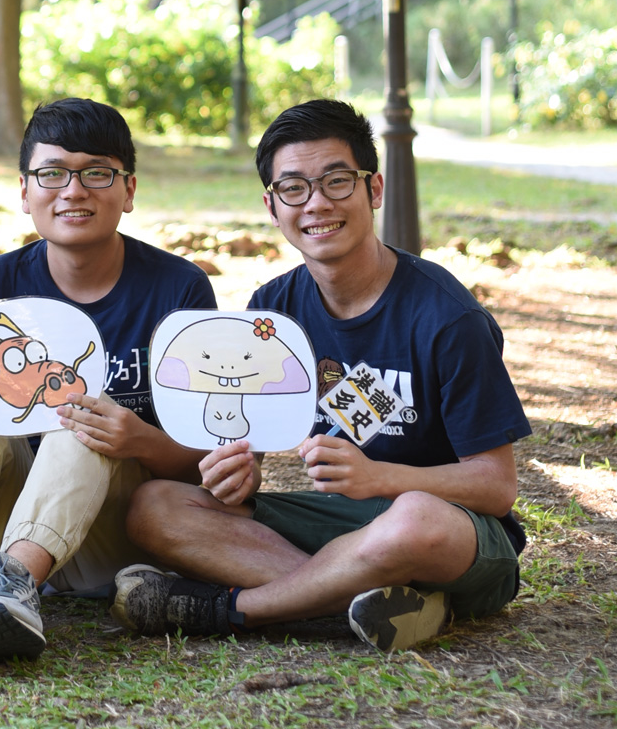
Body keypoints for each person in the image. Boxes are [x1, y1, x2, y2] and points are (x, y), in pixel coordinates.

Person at [113, 99, 530, 652]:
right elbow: (247, 459)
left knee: (412, 519)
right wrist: (235, 474)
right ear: (272, 205)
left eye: (336, 181)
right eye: (294, 188)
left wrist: (381, 477)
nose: (316, 204)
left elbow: (496, 487)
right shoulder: (272, 313)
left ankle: (233, 610)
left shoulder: (448, 318)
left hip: (452, 534)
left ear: (373, 190)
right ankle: (380, 601)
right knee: (155, 507)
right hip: (343, 524)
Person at [0, 97, 216, 659]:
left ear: (128, 190)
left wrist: (137, 439)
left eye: (97, 173)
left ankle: (17, 582)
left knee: (81, 418)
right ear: (25, 190)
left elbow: (207, 455)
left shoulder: (179, 291)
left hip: (116, 527)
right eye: (52, 173)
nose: (73, 190)